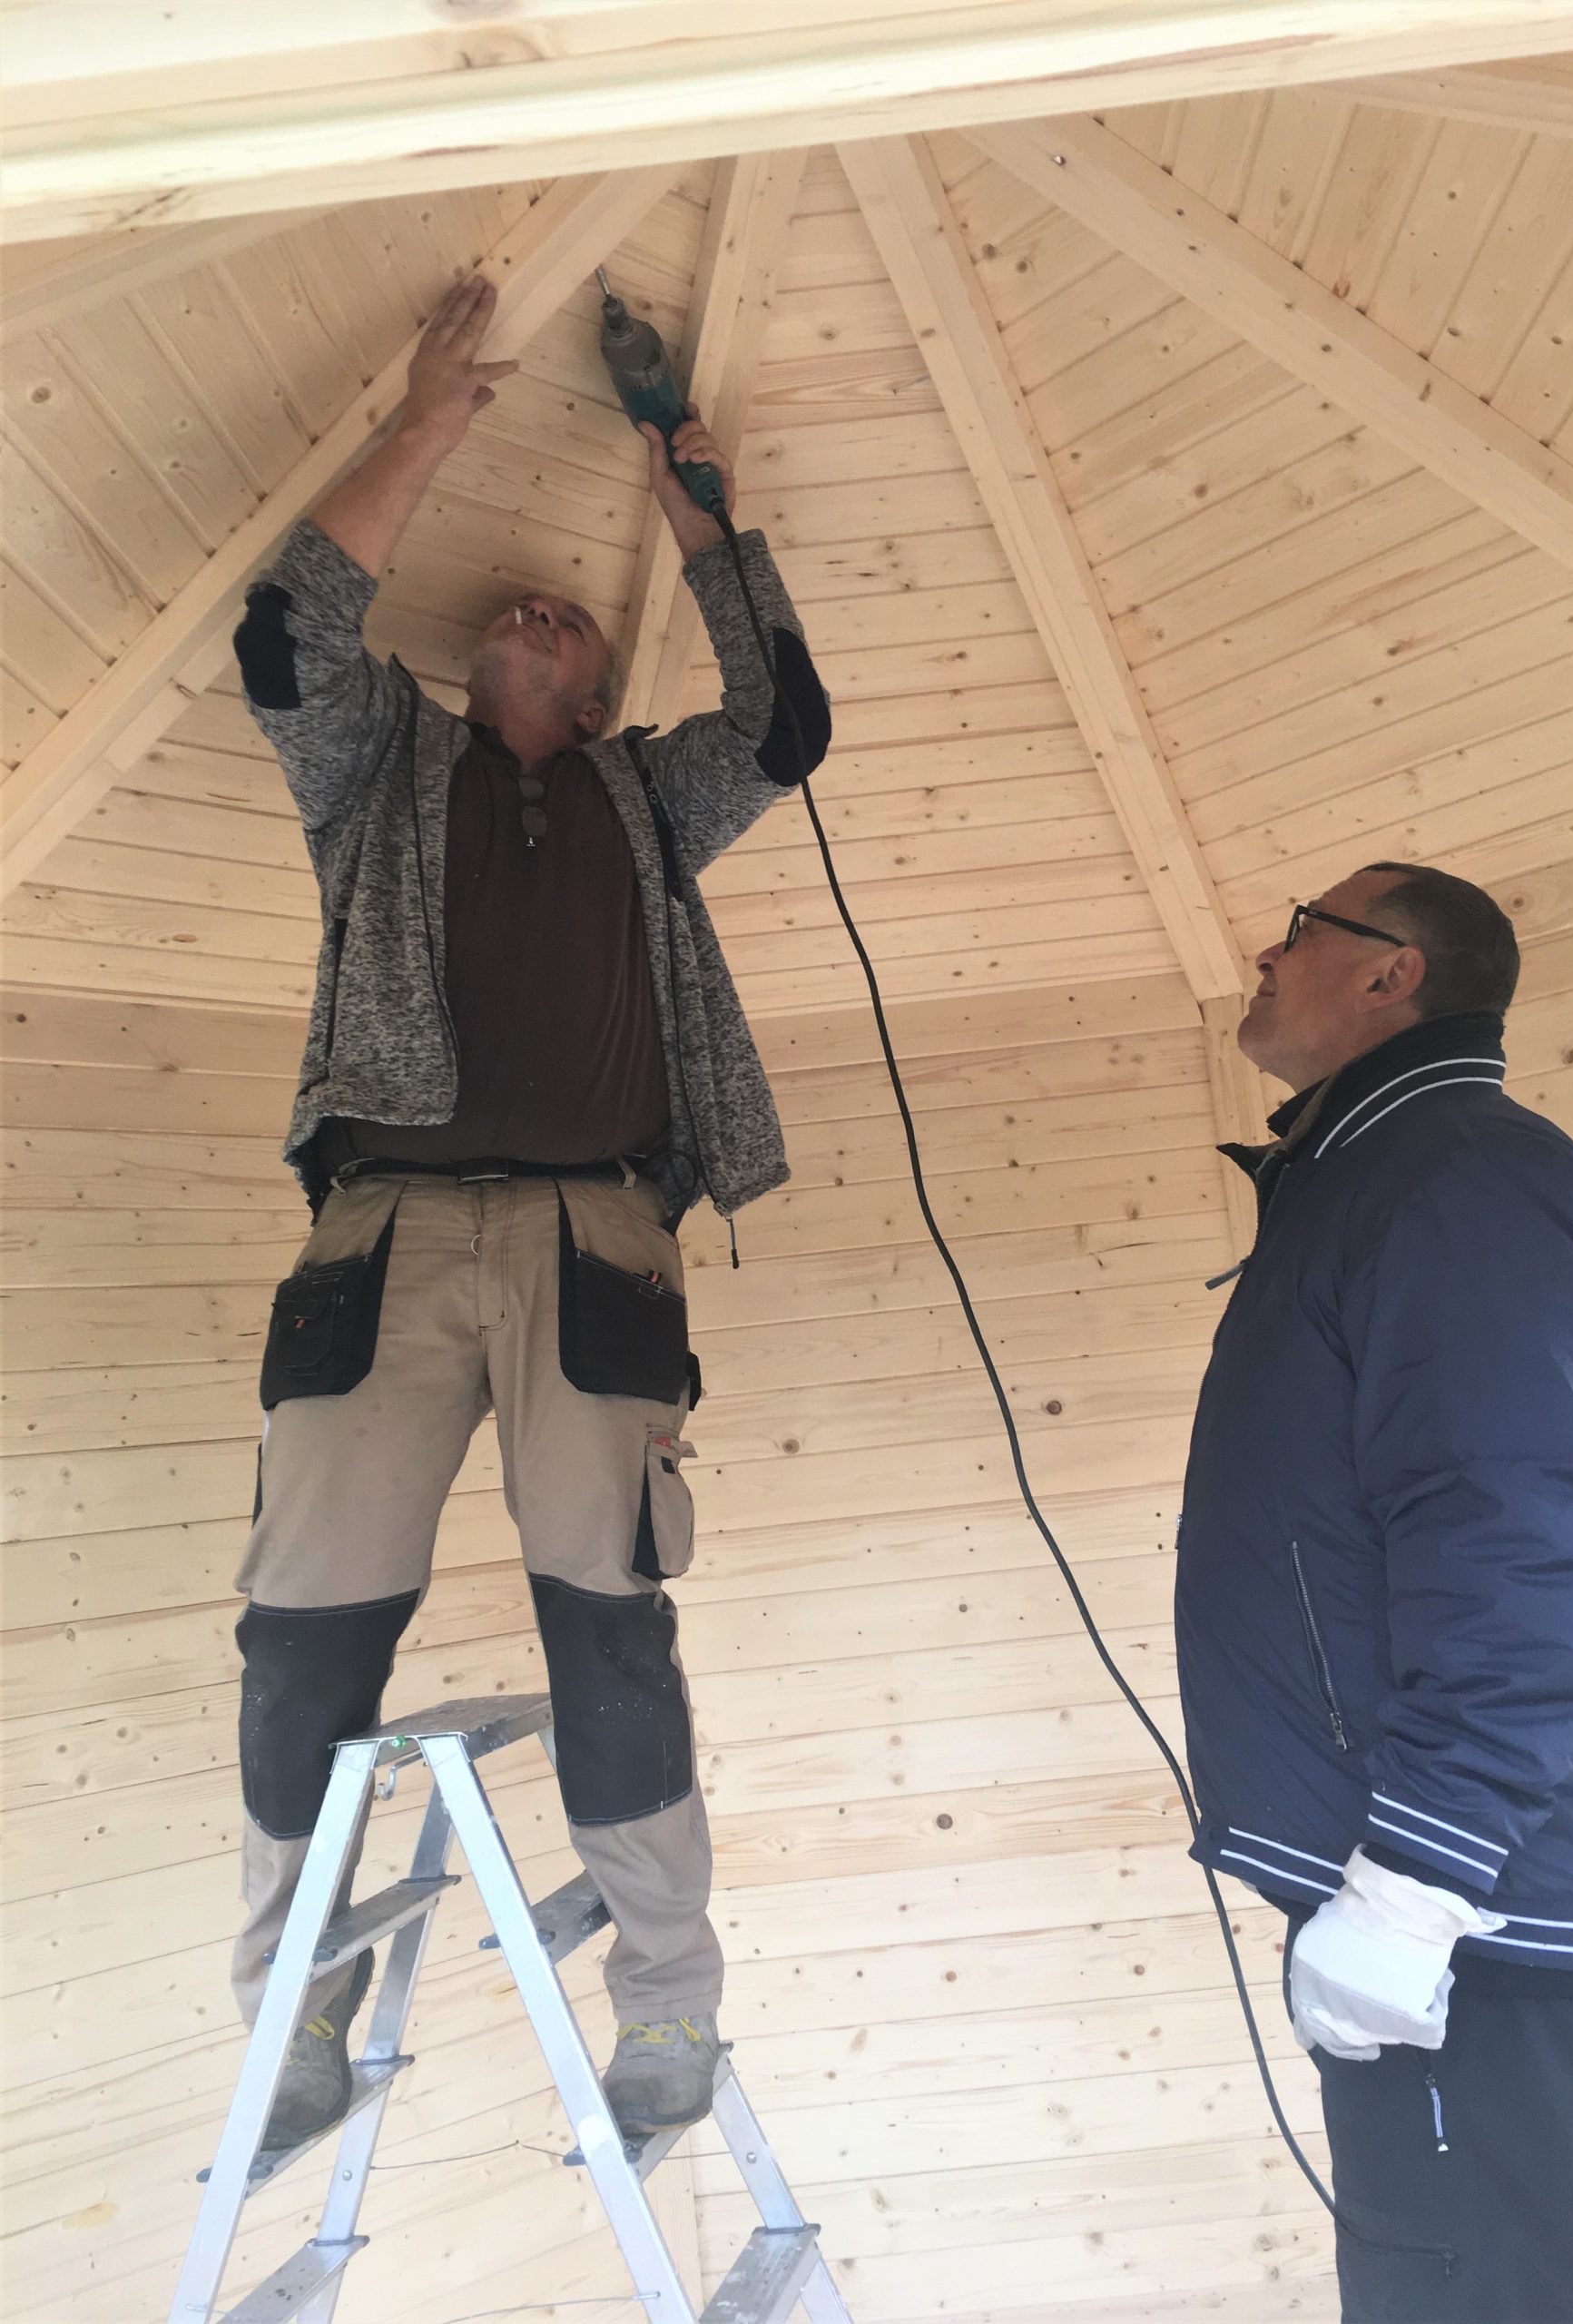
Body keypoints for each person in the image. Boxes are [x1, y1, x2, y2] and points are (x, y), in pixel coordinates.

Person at [227, 276, 830, 2151]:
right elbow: (285, 638)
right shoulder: (381, 768)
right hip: (382, 1242)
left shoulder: (654, 800)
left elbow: (786, 723)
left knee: (610, 1620)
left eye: (571, 621)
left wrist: (695, 506)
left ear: (601, 695)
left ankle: (667, 2001)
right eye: (516, 612)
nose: (538, 612)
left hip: (597, 1245)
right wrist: (427, 422)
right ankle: (292, 2003)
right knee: (303, 1627)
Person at [1173, 862, 1573, 2322]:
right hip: (1467, 1898)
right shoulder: (1384, 1174)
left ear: (1390, 973)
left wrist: (1417, 1883)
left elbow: (1520, 1559)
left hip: (1483, 1909)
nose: (1266, 954)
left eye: (1303, 930)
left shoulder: (1453, 1179)